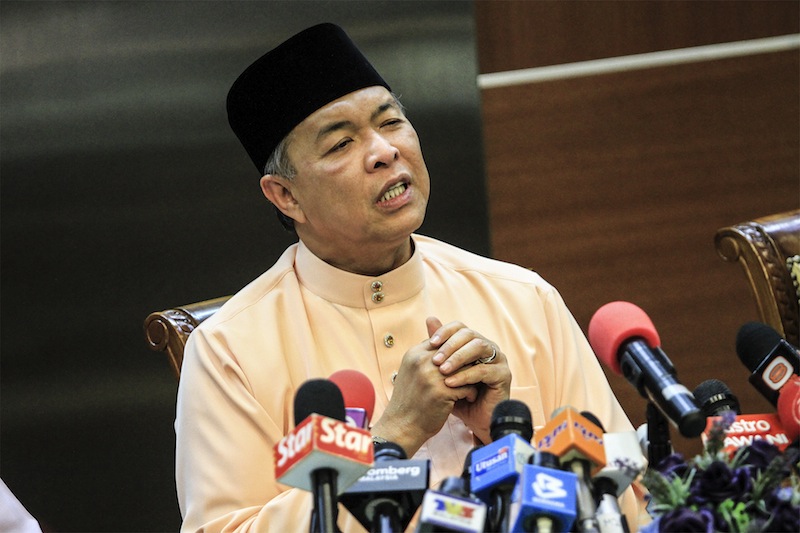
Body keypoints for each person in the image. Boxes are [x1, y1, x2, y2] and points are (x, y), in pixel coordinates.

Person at [175, 22, 645, 532]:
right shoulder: (229, 350)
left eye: (391, 121)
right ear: (286, 196)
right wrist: (392, 437)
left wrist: (505, 437)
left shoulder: (524, 298)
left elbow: (632, 503)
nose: (383, 151)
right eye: (340, 145)